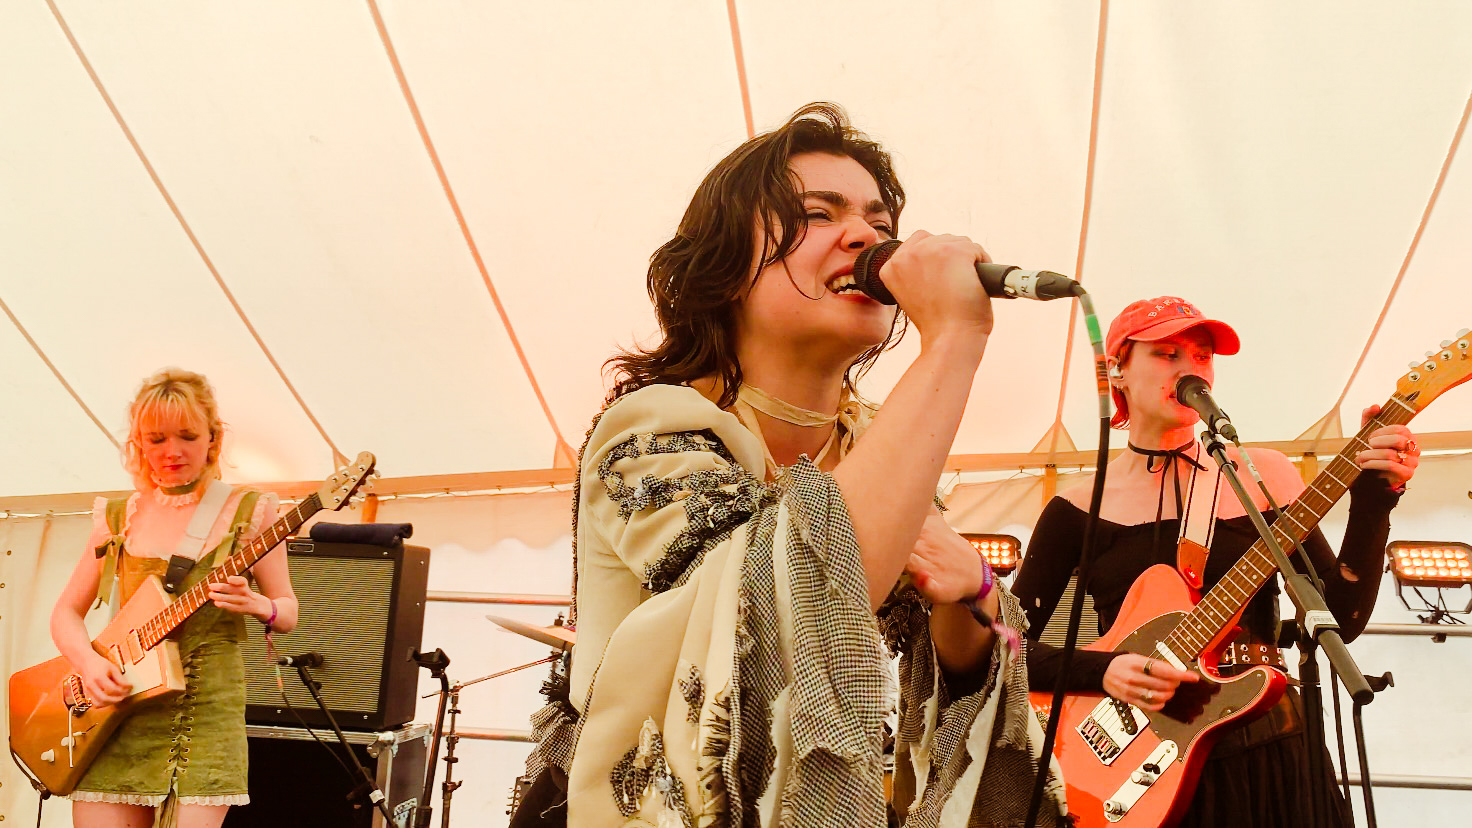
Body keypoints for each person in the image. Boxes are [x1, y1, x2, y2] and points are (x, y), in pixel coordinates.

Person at [514, 103, 1067, 827]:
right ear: (724, 263)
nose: (866, 236)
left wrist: (978, 595)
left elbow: (971, 648)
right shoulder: (652, 425)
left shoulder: (880, 442)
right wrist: (956, 337)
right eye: (818, 213)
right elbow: (785, 605)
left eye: (879, 220)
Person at [1011, 296, 1418, 827]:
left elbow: (1342, 617)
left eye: (1202, 357)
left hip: (1270, 742)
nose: (1190, 370)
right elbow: (1005, 645)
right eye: (1167, 353)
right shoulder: (1077, 505)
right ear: (1117, 371)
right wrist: (1104, 669)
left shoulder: (1261, 474)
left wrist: (1373, 499)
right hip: (1145, 763)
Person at [49, 368, 299, 828]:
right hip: (119, 712)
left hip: (204, 718)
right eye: (156, 438)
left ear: (213, 439)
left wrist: (258, 604)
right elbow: (65, 612)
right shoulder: (117, 516)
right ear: (138, 444)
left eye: (187, 435)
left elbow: (288, 610)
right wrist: (88, 664)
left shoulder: (252, 511)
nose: (173, 451)